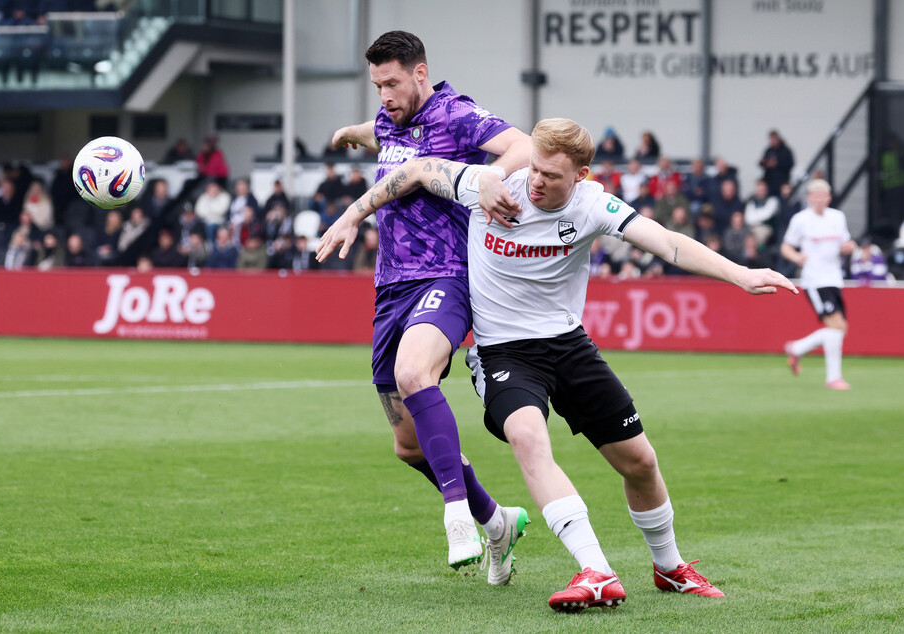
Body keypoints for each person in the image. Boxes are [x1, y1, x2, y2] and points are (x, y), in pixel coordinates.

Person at [318, 117, 797, 612]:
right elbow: (416, 170)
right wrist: (355, 214)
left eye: (552, 175)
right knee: (529, 437)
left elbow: (667, 242)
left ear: (582, 175)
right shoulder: (490, 187)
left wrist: (740, 274)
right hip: (503, 352)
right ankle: (594, 569)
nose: (537, 182)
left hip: (568, 346)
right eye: (535, 169)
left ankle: (670, 567)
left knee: (640, 462)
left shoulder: (592, 205)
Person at [327, 30, 533, 581]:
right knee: (407, 446)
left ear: (421, 72)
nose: (384, 95)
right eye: (376, 86)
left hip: (448, 276)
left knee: (415, 373)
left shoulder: (457, 113)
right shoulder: (392, 120)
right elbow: (384, 135)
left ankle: (457, 516)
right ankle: (496, 522)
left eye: (392, 82)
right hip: (390, 287)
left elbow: (525, 148)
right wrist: (352, 133)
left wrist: (492, 177)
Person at [781, 179, 857, 389]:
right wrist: (797, 258)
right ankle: (833, 378)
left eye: (823, 195)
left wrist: (849, 247)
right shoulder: (801, 220)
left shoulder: (837, 217)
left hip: (834, 279)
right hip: (815, 280)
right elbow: (786, 247)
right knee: (836, 326)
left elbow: (845, 243)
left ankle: (796, 348)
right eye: (815, 195)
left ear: (829, 198)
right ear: (809, 198)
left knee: (840, 328)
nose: (820, 199)